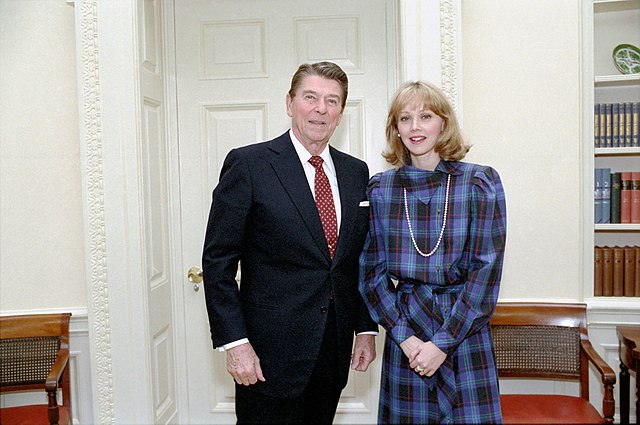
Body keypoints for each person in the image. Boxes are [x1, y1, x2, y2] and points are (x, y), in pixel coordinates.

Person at [202, 61, 378, 424]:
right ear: (289, 102)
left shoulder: (355, 172)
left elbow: (356, 260)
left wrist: (365, 328)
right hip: (266, 354)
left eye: (332, 101)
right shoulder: (249, 164)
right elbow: (218, 262)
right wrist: (235, 343)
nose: (320, 109)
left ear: (341, 112)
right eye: (310, 97)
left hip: (332, 348)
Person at [359, 81, 507, 424]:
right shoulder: (381, 189)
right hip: (406, 332)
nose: (415, 127)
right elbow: (371, 274)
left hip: (464, 332)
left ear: (443, 123)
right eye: (405, 118)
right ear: (395, 128)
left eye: (425, 116)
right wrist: (406, 340)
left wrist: (442, 344)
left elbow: (485, 272)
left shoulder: (478, 183)